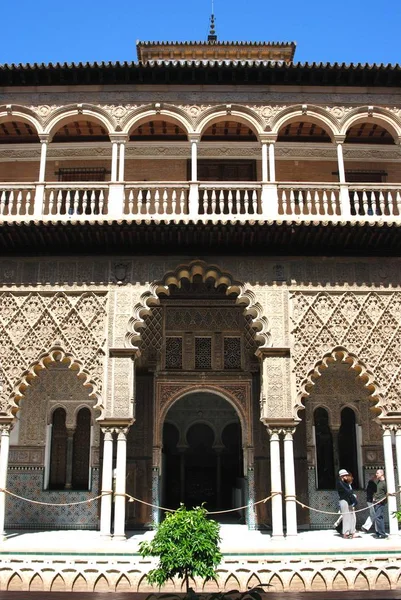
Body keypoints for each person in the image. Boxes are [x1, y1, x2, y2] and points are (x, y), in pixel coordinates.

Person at [337, 469, 358, 539]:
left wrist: (353, 500)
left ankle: (352, 532)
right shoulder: (339, 483)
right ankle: (345, 533)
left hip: (349, 500)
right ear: (342, 476)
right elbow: (348, 492)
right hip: (344, 500)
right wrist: (354, 499)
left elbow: (350, 492)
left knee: (352, 516)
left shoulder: (346, 483)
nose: (346, 476)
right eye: (345, 475)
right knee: (346, 517)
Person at [373, 469, 388, 539]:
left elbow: (387, 493)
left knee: (377, 517)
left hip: (380, 502)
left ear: (382, 474)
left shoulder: (384, 483)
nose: (376, 474)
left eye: (377, 473)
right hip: (376, 502)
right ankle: (380, 533)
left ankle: (382, 533)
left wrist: (382, 500)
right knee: (380, 517)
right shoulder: (378, 482)